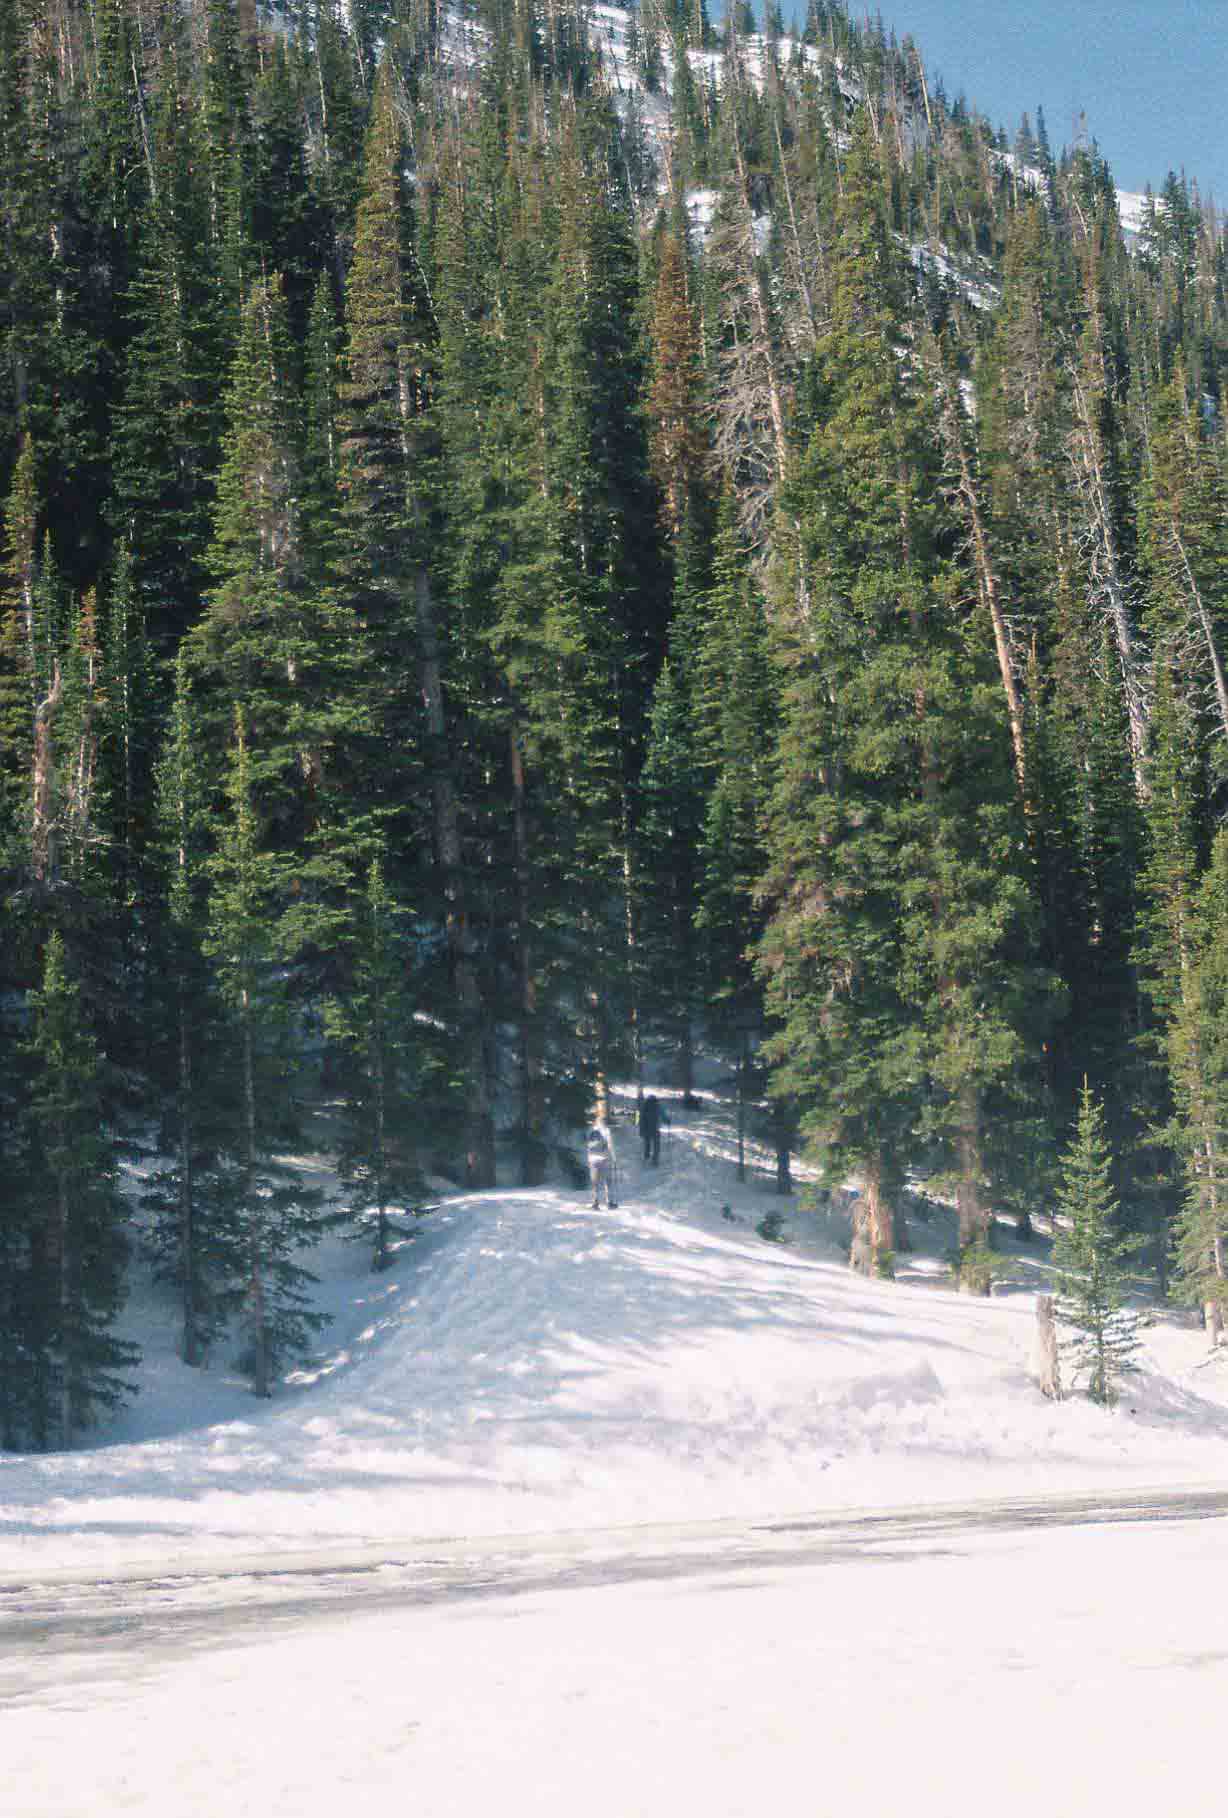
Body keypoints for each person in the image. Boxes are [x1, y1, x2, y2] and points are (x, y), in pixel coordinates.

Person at [585, 1117, 617, 1208]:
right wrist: (614, 1158)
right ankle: (609, 1202)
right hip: (604, 1159)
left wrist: (588, 1159)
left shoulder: (590, 1130)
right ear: (604, 1122)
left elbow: (587, 1146)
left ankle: (595, 1202)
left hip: (592, 1159)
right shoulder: (606, 1131)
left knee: (595, 1182)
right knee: (607, 1181)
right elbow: (610, 1145)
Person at [638, 1093, 664, 1166]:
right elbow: (662, 1114)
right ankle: (655, 1159)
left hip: (646, 1128)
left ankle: (646, 1157)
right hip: (655, 1128)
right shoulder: (657, 1106)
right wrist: (667, 1120)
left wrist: (641, 1130)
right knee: (656, 1144)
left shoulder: (644, 1106)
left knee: (647, 1143)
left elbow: (640, 1118)